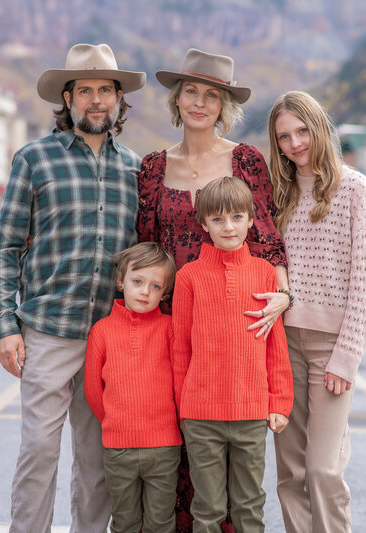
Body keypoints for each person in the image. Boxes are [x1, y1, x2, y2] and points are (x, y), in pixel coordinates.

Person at [0, 43, 146, 533]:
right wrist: (5, 325)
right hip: (49, 330)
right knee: (38, 449)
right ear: (68, 98)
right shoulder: (34, 159)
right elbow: (5, 247)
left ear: (118, 99)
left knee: (96, 460)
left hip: (109, 338)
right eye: (84, 91)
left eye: (104, 90)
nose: (95, 100)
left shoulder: (136, 169)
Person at [137, 47, 290, 531]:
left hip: (233, 316)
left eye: (211, 95)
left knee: (240, 484)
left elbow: (267, 237)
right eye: (190, 93)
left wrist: (283, 295)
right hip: (170, 322)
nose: (199, 103)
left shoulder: (245, 160)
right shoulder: (154, 168)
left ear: (224, 105)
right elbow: (143, 245)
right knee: (176, 453)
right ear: (177, 101)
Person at [267, 91, 366, 533]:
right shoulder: (278, 194)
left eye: (302, 131)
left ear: (319, 129)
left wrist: (347, 357)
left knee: (323, 470)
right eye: (283, 137)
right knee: (290, 472)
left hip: (330, 347)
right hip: (281, 342)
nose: (295, 144)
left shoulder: (353, 187)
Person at [172, 176, 294, 532]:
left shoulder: (265, 273)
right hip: (201, 415)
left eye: (237, 217)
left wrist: (279, 401)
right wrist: (182, 406)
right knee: (207, 509)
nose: (228, 227)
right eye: (218, 219)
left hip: (252, 412)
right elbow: (180, 347)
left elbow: (276, 344)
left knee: (249, 505)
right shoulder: (188, 277)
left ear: (252, 219)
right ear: (204, 223)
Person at [84, 242, 181, 533]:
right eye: (138, 282)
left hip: (164, 447)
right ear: (120, 280)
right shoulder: (102, 330)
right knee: (124, 521)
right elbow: (92, 389)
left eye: (155, 286)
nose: (144, 292)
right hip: (118, 448)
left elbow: (179, 380)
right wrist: (115, 422)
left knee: (160, 522)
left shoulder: (169, 327)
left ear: (164, 293)